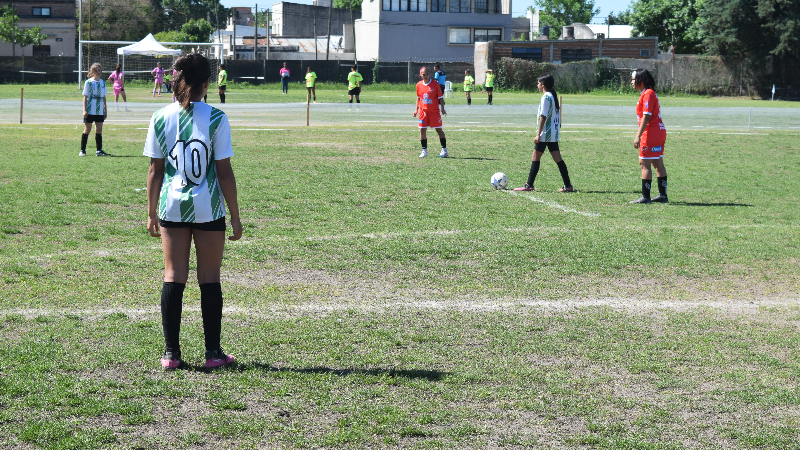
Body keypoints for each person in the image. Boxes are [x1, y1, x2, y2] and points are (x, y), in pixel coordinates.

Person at [144, 53, 242, 370]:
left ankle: (171, 354)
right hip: (208, 207)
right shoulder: (217, 118)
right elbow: (224, 172)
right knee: (209, 279)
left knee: (173, 276)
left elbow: (154, 170)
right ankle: (213, 353)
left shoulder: (159, 117)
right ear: (206, 83)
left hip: (171, 206)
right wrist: (236, 216)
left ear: (176, 80)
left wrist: (151, 212)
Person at [513, 74, 573, 192]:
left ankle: (529, 185)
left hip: (546, 133)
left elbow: (543, 116)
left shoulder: (546, 97)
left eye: (538, 83)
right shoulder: (552, 96)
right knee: (558, 159)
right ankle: (568, 185)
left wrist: (538, 134)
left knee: (535, 157)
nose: (537, 85)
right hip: (552, 134)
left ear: (543, 85)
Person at [630, 68, 668, 204]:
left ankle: (645, 197)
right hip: (658, 132)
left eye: (634, 80)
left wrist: (638, 136)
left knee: (644, 163)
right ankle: (663, 195)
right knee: (658, 163)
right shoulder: (649, 93)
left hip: (651, 133)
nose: (632, 82)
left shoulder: (647, 94)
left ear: (641, 80)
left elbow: (646, 117)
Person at [413, 66, 448, 158]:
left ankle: (444, 150)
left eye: (427, 74)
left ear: (430, 74)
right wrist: (416, 110)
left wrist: (443, 109)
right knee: (422, 130)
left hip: (434, 112)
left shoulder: (435, 84)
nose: (426, 76)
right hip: (423, 112)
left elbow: (440, 98)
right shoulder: (419, 85)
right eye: (424, 74)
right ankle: (424, 151)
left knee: (439, 130)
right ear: (421, 75)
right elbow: (418, 98)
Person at [80, 63, 110, 157]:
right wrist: (84, 110)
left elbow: (104, 97)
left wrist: (105, 110)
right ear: (92, 72)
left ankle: (99, 151)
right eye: (96, 71)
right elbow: (85, 97)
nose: (98, 72)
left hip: (100, 110)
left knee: (99, 130)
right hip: (90, 109)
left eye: (99, 70)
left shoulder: (102, 83)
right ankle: (82, 150)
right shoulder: (88, 82)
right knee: (87, 130)